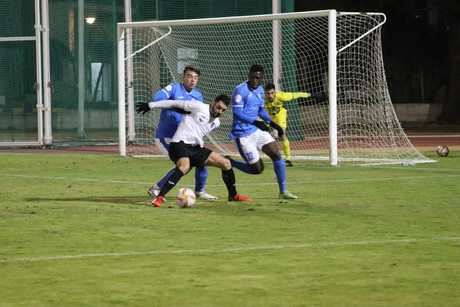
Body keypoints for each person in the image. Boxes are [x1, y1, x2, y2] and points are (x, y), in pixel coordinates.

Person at [136, 95, 251, 207]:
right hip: (178, 144)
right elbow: (173, 103)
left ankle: (233, 195)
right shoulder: (198, 106)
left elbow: (197, 131)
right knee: (185, 166)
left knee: (226, 163)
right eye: (218, 107)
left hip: (195, 148)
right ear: (213, 102)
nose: (220, 112)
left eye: (223, 110)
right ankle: (159, 197)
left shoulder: (216, 122)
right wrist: (151, 105)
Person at [228, 64, 298, 201]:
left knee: (277, 155)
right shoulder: (240, 90)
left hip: (257, 130)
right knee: (257, 169)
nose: (255, 80)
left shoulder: (260, 90)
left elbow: (260, 110)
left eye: (258, 78)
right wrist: (255, 121)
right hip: (243, 134)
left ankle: (283, 191)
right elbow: (237, 113)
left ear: (261, 78)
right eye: (253, 77)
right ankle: (230, 162)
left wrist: (273, 124)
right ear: (249, 75)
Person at [148, 65, 217, 201]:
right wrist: (177, 108)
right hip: (167, 136)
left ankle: (200, 191)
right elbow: (157, 98)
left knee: (201, 159)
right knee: (186, 164)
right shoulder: (173, 88)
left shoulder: (198, 95)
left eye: (195, 78)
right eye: (189, 76)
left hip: (185, 137)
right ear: (183, 77)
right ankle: (157, 188)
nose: (192, 80)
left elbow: (198, 118)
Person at [264, 82, 325, 167]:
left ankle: (288, 159)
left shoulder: (281, 96)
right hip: (269, 118)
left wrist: (310, 95)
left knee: (282, 134)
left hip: (280, 117)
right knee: (262, 136)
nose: (270, 95)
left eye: (272, 93)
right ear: (265, 93)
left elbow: (296, 94)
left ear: (275, 92)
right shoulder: (262, 99)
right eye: (268, 93)